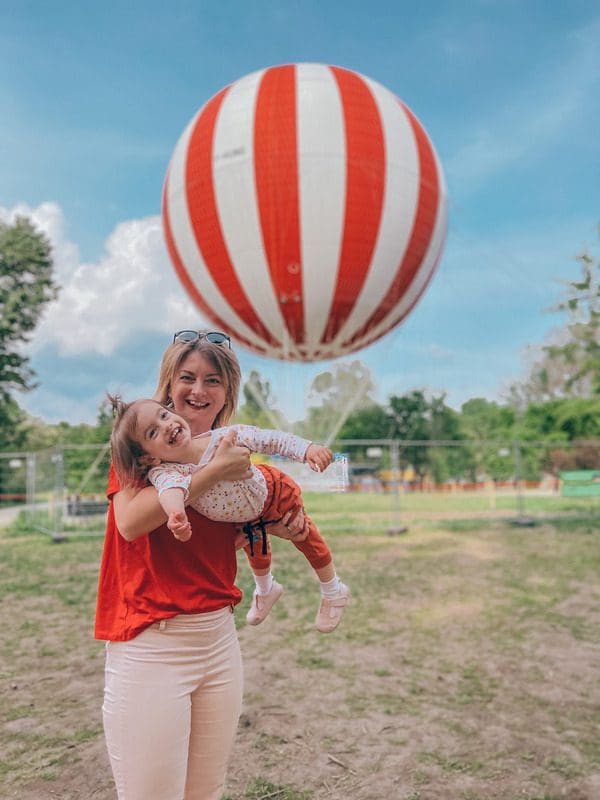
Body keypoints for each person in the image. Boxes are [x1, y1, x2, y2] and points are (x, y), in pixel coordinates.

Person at [95, 330, 309, 800]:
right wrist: (215, 471)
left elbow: (218, 542)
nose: (198, 391)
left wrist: (275, 529)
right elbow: (131, 522)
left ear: (227, 392)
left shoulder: (229, 447)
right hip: (152, 643)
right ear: (169, 384)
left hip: (217, 639)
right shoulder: (141, 447)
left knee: (205, 791)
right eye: (186, 378)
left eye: (212, 380)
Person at [108, 396, 349, 632]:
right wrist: (176, 514)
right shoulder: (166, 472)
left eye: (164, 415)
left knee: (304, 534)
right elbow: (171, 492)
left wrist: (307, 449)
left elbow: (270, 440)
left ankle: (333, 590)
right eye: (152, 432)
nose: (166, 426)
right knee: (255, 550)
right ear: (149, 457)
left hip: (273, 491)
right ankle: (266, 590)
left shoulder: (225, 437)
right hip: (245, 517)